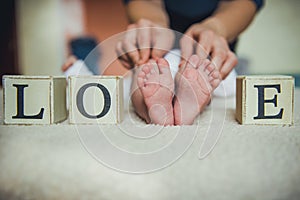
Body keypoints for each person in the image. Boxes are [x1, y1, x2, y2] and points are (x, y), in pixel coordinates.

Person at [115, 0, 264, 125]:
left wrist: (216, 27)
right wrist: (154, 24)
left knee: (146, 65)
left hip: (207, 51)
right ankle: (186, 107)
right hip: (200, 59)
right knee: (199, 72)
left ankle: (153, 111)